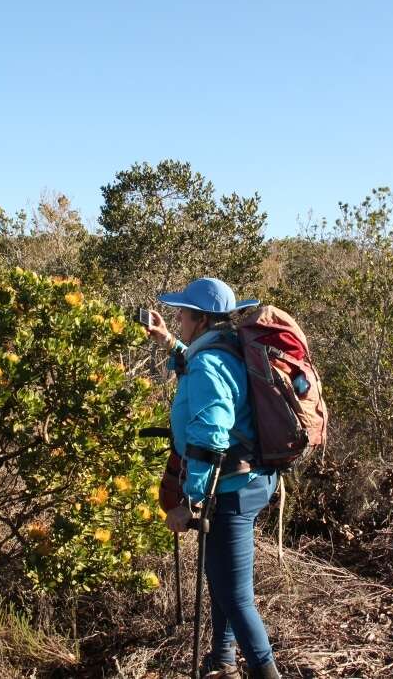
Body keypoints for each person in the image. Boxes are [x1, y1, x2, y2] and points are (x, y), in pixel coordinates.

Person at [145, 277, 282, 679]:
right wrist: (169, 342)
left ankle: (265, 671)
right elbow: (202, 365)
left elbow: (210, 436)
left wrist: (190, 501)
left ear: (201, 319)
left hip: (232, 490)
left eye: (183, 313)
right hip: (250, 480)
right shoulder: (227, 348)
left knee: (236, 595)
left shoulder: (209, 364)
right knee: (220, 576)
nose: (178, 316)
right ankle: (221, 659)